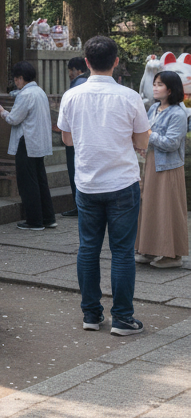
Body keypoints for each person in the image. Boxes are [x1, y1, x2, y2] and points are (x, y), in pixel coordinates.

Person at [57, 35, 151, 336]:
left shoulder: (72, 96)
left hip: (87, 182)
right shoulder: (129, 96)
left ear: (86, 62)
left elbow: (67, 138)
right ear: (116, 61)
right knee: (122, 252)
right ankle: (123, 317)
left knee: (88, 249)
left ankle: (91, 314)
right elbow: (142, 140)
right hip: (122, 181)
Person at [134, 70, 189, 269]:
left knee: (167, 209)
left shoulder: (178, 113)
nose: (154, 87)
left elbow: (171, 143)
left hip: (168, 167)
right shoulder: (154, 108)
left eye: (159, 84)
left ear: (171, 89)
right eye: (155, 83)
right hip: (151, 164)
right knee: (149, 206)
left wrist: (148, 134)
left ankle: (173, 255)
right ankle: (148, 249)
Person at [0, 60, 55, 230]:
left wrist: (1, 111)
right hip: (39, 141)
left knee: (28, 182)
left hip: (26, 141)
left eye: (16, 79)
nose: (16, 82)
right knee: (40, 179)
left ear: (20, 78)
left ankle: (34, 220)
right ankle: (48, 217)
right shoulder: (39, 91)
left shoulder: (25, 95)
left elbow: (14, 119)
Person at [59, 57, 89, 217]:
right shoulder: (89, 83)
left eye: (70, 70)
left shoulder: (75, 87)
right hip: (87, 135)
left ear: (77, 70)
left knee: (74, 171)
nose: (70, 73)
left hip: (75, 136)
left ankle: (78, 205)